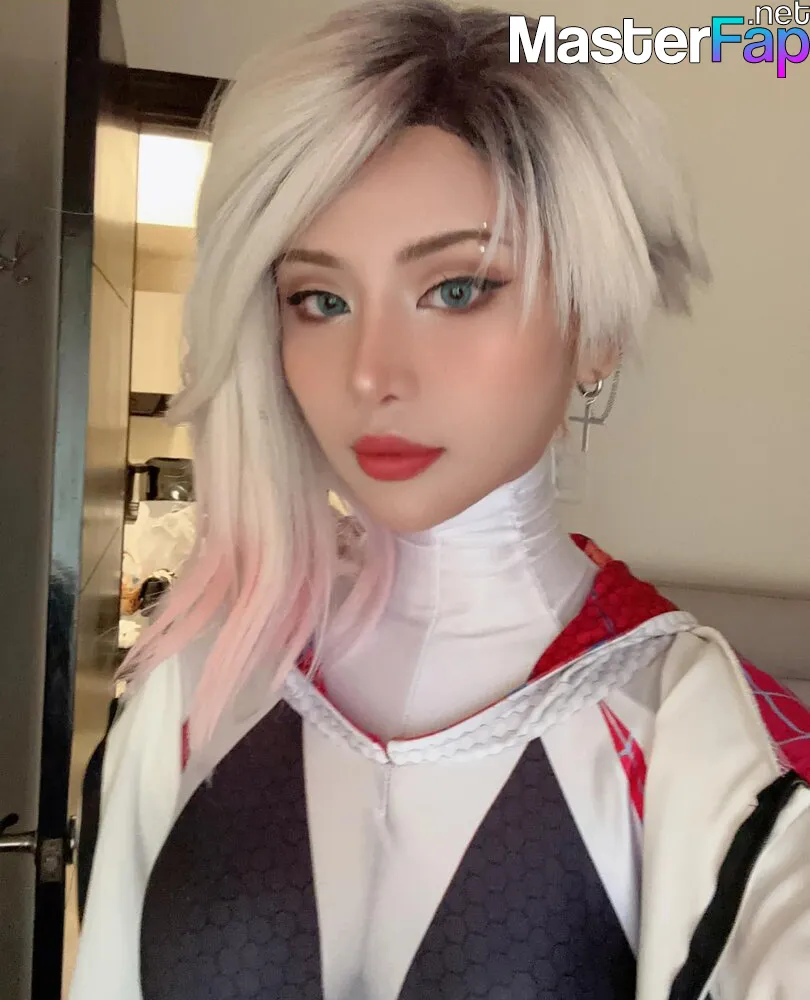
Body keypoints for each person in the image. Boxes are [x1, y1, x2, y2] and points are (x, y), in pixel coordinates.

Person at [70, 3, 810, 999]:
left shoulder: (702, 739)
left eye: (458, 289)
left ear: (595, 330)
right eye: (320, 300)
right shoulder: (200, 681)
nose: (372, 373)